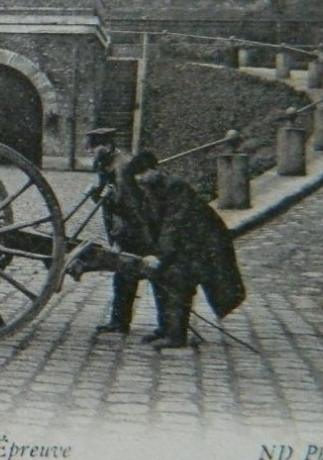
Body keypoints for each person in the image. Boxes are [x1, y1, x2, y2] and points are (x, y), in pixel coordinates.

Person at [125, 150, 247, 350]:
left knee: (178, 278)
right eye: (136, 175)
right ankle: (165, 327)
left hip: (204, 244)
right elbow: (149, 225)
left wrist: (161, 255)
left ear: (156, 169)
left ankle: (176, 335)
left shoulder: (176, 187)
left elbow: (173, 224)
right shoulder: (150, 189)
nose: (139, 178)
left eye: (142, 173)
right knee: (158, 276)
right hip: (184, 244)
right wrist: (148, 251)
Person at [80, 128, 155, 339]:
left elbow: (128, 203)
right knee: (123, 273)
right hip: (119, 225)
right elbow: (107, 198)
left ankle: (165, 326)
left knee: (131, 270)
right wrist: (96, 194)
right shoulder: (105, 162)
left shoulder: (122, 165)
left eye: (93, 148)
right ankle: (119, 321)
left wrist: (121, 236)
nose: (90, 152)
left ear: (106, 146)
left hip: (133, 227)